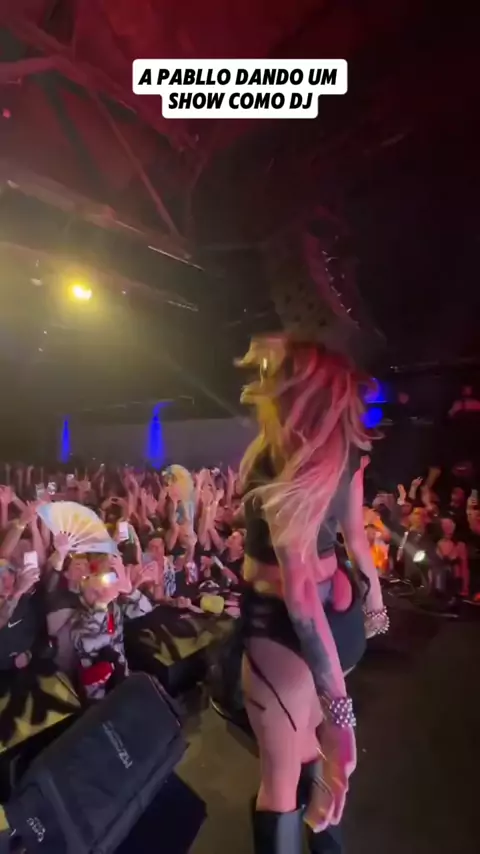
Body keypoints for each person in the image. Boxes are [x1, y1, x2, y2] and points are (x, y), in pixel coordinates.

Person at [236, 334, 388, 854]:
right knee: (311, 750)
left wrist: (343, 721)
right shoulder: (342, 450)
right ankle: (327, 843)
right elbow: (355, 535)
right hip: (337, 615)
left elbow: (299, 595)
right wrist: (375, 602)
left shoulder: (283, 459)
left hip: (287, 623)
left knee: (282, 776)